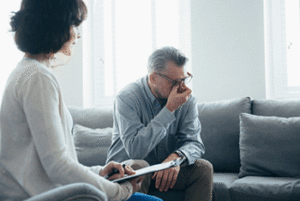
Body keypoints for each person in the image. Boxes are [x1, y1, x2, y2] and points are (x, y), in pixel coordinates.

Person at [0, 0, 163, 201]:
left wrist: (99, 172)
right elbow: (58, 166)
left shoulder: (26, 72)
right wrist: (120, 192)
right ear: (56, 26)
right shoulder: (37, 77)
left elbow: (54, 163)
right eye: (73, 24)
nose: (77, 33)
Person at [106, 46, 214, 201]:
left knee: (203, 168)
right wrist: (169, 109)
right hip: (128, 171)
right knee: (139, 166)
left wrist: (174, 158)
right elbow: (135, 150)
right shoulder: (127, 97)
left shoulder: (187, 100)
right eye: (175, 82)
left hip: (164, 172)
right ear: (153, 78)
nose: (181, 87)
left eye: (184, 79)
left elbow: (195, 143)